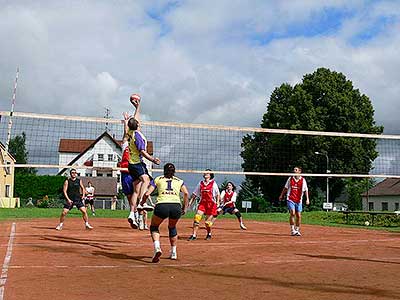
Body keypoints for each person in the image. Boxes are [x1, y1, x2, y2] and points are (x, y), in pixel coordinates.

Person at [123, 94, 160, 227]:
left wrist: (137, 107)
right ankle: (141, 203)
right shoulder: (138, 136)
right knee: (147, 180)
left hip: (131, 166)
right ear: (137, 125)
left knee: (135, 191)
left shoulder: (130, 133)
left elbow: (131, 123)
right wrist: (153, 159)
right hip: (137, 163)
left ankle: (132, 214)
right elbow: (143, 152)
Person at [142, 163, 189, 262]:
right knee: (172, 227)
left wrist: (142, 203)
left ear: (164, 171)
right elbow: (186, 193)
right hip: (176, 206)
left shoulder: (158, 179)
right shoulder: (179, 181)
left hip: (162, 205)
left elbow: (147, 193)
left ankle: (157, 248)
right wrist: (184, 208)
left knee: (154, 227)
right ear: (174, 172)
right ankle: (173, 252)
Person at [187, 169, 220, 241]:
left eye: (207, 173)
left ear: (210, 175)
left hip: (211, 204)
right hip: (203, 203)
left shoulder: (213, 183)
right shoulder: (200, 183)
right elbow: (194, 194)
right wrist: (190, 202)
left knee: (207, 223)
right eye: (205, 172)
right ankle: (194, 235)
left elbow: (217, 194)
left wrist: (218, 202)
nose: (205, 173)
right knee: (197, 218)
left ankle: (209, 233)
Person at [279, 166, 310, 236]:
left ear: (299, 171)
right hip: (290, 198)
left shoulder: (303, 180)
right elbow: (285, 188)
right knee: (292, 213)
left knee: (298, 215)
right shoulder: (290, 179)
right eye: (294, 170)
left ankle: (297, 230)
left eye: (296, 170)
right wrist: (281, 195)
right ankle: (292, 230)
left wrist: (307, 199)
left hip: (299, 200)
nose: (294, 171)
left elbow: (306, 190)